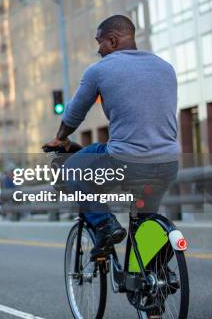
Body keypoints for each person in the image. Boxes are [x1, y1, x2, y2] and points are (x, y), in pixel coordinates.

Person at [43, 15, 179, 260]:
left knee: (72, 170)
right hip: (168, 163)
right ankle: (152, 280)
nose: (99, 50)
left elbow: (74, 114)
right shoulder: (165, 67)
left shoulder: (100, 69)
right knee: (144, 219)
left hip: (126, 159)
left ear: (113, 41)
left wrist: (60, 138)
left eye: (100, 43)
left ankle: (105, 225)